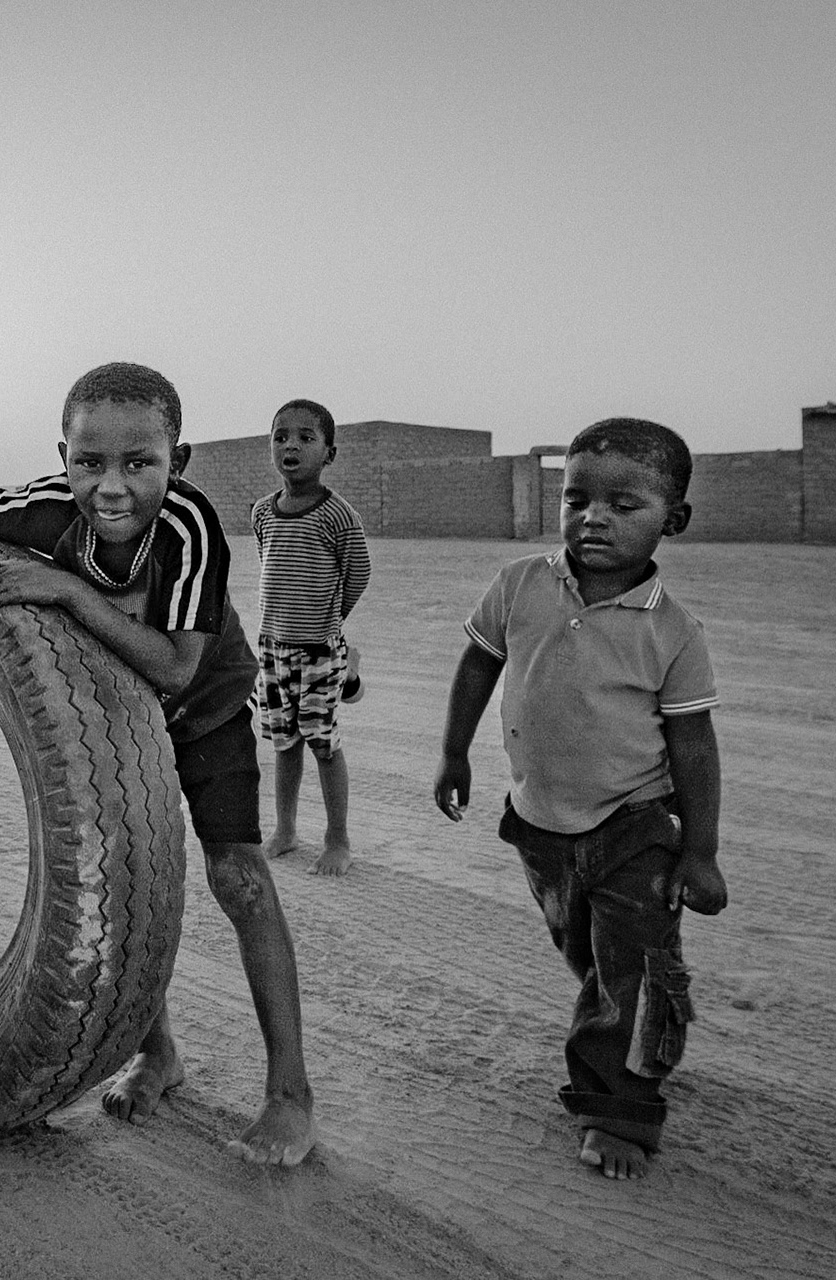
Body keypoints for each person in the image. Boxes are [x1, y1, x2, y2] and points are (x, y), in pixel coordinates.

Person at [0, 361, 316, 1167]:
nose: (111, 486)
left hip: (200, 707)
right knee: (128, 882)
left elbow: (175, 667)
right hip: (107, 718)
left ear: (181, 462)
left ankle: (290, 1093)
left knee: (238, 876)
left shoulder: (190, 527)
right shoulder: (45, 505)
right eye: (89, 462)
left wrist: (69, 596)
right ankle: (157, 1053)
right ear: (62, 456)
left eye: (140, 464)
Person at [432, 417, 727, 1181]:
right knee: (589, 959)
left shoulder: (675, 632)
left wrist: (699, 851)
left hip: (634, 825)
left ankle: (621, 1110)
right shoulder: (521, 584)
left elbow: (694, 747)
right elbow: (478, 665)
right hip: (541, 826)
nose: (592, 517)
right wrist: (454, 751)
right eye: (576, 498)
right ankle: (646, 1029)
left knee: (628, 969)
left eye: (624, 504)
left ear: (675, 521)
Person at [251, 398, 370, 875]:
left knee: (322, 743)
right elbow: (270, 565)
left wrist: (327, 621)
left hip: (319, 648)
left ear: (329, 453)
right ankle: (285, 829)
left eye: (305, 437)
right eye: (280, 436)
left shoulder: (337, 515)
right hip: (272, 649)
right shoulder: (263, 512)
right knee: (284, 743)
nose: (290, 445)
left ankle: (337, 838)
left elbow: (357, 573)